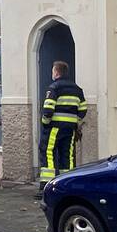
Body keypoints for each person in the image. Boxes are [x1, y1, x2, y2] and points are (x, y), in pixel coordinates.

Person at [38, 60, 87, 197]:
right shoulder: (77, 89)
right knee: (68, 155)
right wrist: (74, 121)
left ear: (57, 72)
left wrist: (45, 122)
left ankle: (46, 187)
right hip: (70, 128)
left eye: (53, 71)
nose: (52, 73)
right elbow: (83, 109)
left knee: (48, 152)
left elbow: (48, 109)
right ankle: (67, 185)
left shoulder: (54, 88)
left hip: (54, 127)